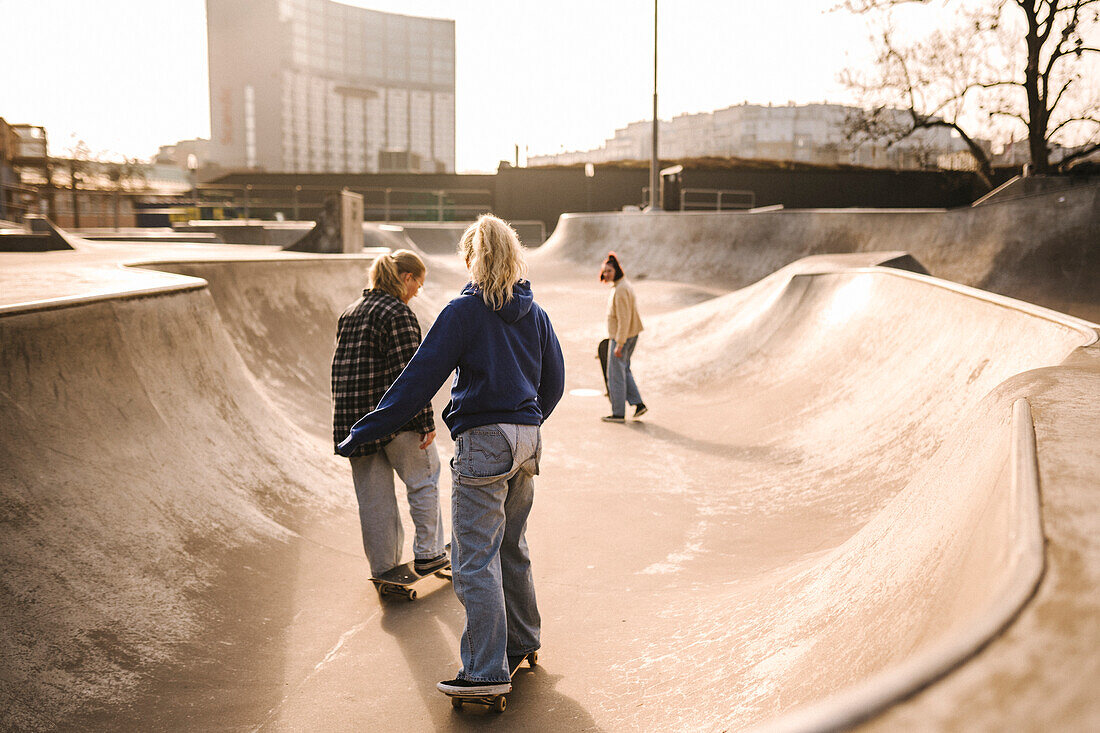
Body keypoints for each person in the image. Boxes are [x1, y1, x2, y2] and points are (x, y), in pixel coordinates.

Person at [336, 214, 565, 698]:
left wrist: (366, 429)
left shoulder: (463, 312)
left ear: (471, 259)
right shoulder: (536, 313)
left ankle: (484, 672)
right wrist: (527, 421)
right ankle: (521, 643)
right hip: (528, 439)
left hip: (485, 440)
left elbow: (419, 380)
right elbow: (556, 380)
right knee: (511, 546)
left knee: (473, 560)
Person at [331, 249, 448, 579]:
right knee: (424, 479)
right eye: (418, 285)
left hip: (356, 425)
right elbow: (412, 375)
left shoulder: (350, 312)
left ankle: (383, 567)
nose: (417, 293)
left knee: (374, 501)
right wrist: (426, 420)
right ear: (407, 278)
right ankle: (429, 553)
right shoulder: (399, 313)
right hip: (396, 422)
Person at [600, 251, 647, 422]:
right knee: (624, 369)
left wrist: (619, 344)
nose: (606, 274)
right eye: (605, 271)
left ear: (617, 270)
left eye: (609, 271)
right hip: (629, 334)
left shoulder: (620, 290)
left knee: (615, 375)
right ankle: (638, 404)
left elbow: (624, 319)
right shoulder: (622, 285)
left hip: (622, 337)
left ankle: (618, 413)